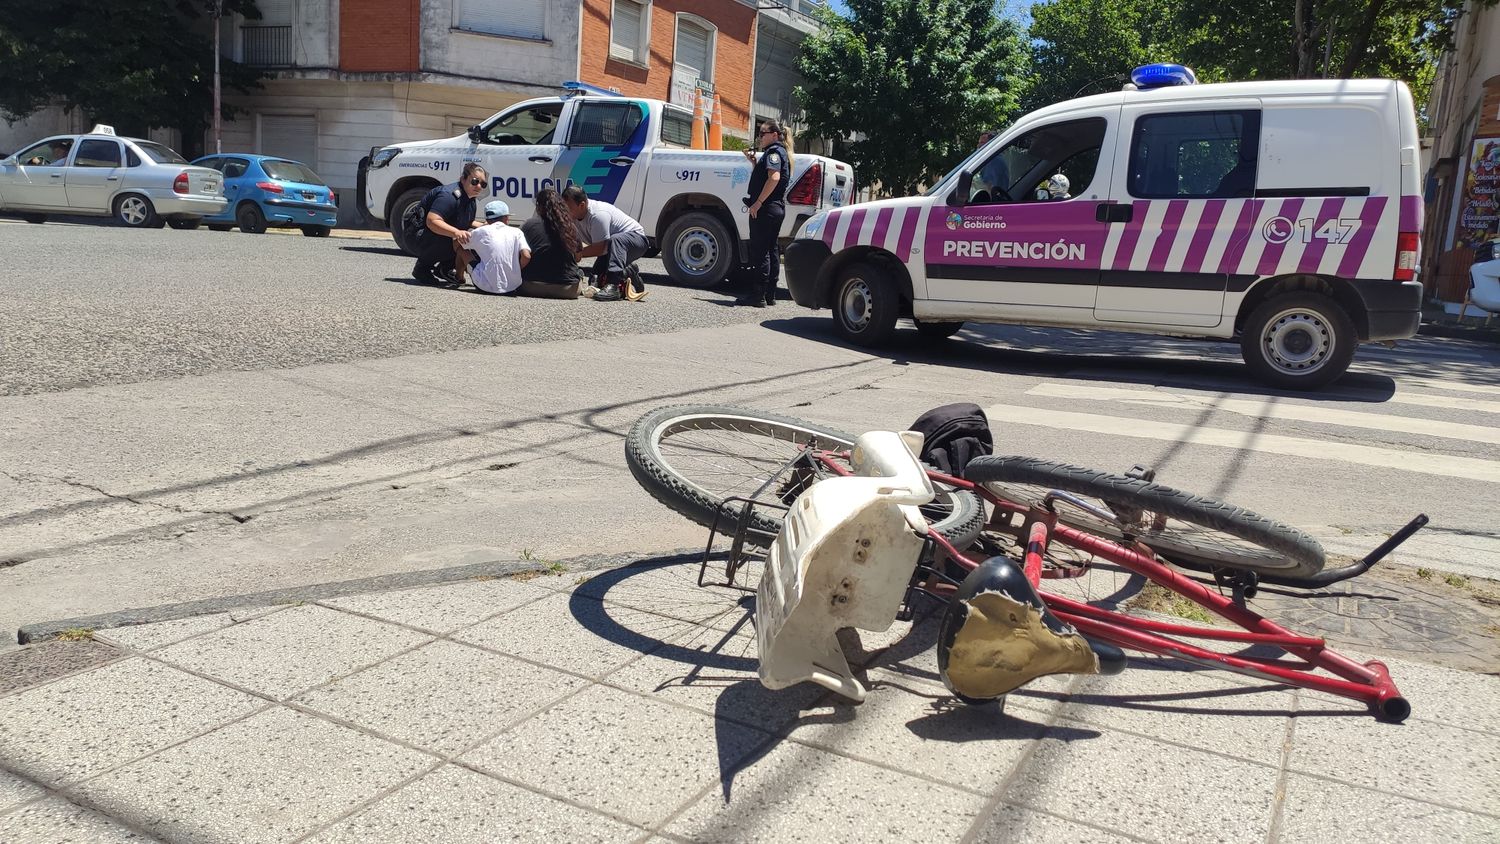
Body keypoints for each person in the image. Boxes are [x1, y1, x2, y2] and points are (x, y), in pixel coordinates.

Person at [562, 185, 649, 302]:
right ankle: (628, 272)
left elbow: (600, 248)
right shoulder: (573, 216)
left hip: (636, 240)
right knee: (595, 282)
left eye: (568, 208)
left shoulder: (598, 215)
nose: (565, 212)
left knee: (616, 239)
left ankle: (613, 285)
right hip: (611, 248)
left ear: (582, 205)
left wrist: (575, 254)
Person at [738, 120, 792, 307]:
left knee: (761, 251)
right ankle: (770, 295)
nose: (759, 137)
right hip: (775, 208)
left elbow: (774, 177)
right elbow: (767, 178)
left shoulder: (774, 153)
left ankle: (758, 295)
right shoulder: (778, 153)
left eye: (763, 133)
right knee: (771, 249)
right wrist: (754, 164)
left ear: (774, 135)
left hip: (767, 208)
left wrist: (758, 203)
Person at [412, 162, 488, 285]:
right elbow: (432, 221)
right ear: (463, 179)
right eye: (475, 181)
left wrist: (484, 227)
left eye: (483, 184)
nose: (479, 186)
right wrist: (456, 233)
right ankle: (422, 268)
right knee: (453, 237)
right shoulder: (449, 196)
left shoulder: (470, 198)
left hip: (431, 233)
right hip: (417, 234)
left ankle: (444, 269)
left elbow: (466, 222)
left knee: (475, 237)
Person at [516, 187, 586, 299]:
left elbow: (518, 254)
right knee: (579, 273)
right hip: (567, 289)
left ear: (539, 206)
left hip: (529, 286)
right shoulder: (570, 227)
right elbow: (578, 258)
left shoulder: (528, 225)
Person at [456, 200, 531, 294]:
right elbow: (526, 256)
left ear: (487, 220)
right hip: (512, 286)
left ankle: (459, 277)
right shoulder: (517, 232)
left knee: (461, 249)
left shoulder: (481, 231)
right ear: (506, 218)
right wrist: (515, 269)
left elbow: (459, 244)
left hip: (484, 286)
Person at [975, 129, 1009, 202]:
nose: (978, 146)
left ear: (991, 145)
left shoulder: (993, 161)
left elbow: (988, 188)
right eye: (979, 143)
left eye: (982, 143)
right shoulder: (996, 159)